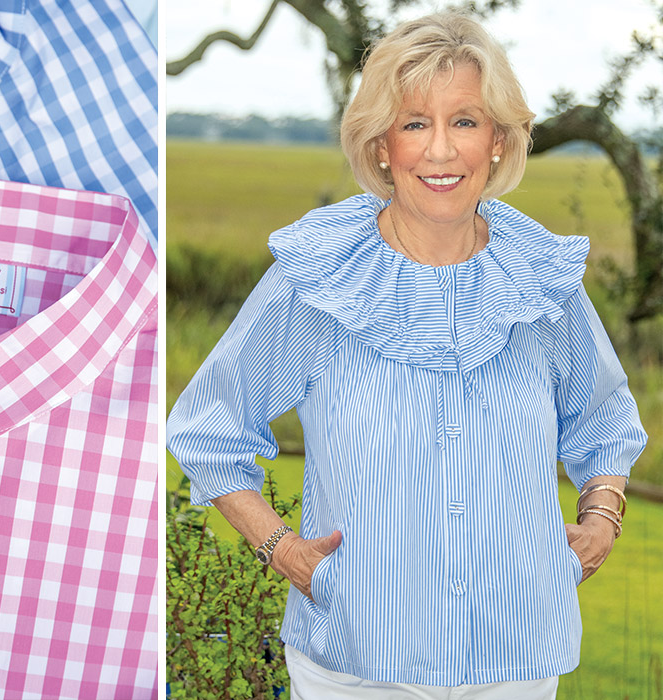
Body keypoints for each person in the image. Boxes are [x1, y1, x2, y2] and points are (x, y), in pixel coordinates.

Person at [166, 13, 647, 699]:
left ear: (500, 141)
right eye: (416, 122)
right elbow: (207, 428)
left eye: (467, 122)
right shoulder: (320, 279)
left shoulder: (543, 280)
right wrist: (284, 550)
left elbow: (604, 419)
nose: (442, 151)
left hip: (516, 663)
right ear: (382, 144)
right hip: (356, 665)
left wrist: (603, 516)